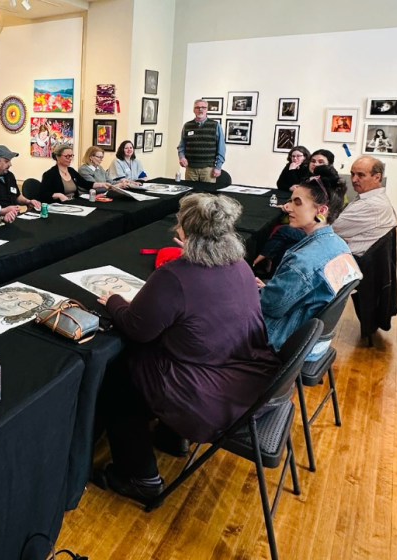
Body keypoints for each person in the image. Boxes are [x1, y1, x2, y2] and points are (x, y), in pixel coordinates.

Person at [94, 193, 280, 504]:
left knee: (120, 376)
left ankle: (141, 477)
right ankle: (171, 438)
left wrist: (114, 300)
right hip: (250, 380)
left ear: (185, 229)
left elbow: (138, 328)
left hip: (208, 395)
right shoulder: (241, 265)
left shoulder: (175, 275)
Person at [257, 173, 361, 359]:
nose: (288, 207)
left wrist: (254, 292)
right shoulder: (340, 246)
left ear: (321, 210)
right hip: (316, 342)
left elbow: (271, 307)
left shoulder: (303, 262)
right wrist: (276, 291)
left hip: (290, 341)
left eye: (297, 202)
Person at [333, 156, 397, 256]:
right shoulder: (373, 198)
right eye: (352, 174)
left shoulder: (370, 205)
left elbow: (331, 228)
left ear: (377, 177)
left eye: (360, 175)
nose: (354, 179)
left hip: (349, 259)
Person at [39, 144, 110, 203]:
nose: (70, 158)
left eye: (71, 156)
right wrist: (59, 195)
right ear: (58, 157)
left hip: (74, 202)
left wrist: (102, 184)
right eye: (67, 156)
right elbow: (43, 194)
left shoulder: (71, 171)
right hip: (59, 204)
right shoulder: (50, 174)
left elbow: (85, 183)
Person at [177, 99, 226, 182]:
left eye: (203, 107)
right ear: (193, 110)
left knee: (207, 194)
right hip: (191, 169)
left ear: (207, 109)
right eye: (197, 107)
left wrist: (218, 167)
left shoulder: (215, 125)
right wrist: (181, 157)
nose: (200, 109)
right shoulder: (187, 126)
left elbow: (221, 148)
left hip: (208, 170)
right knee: (190, 194)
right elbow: (181, 146)